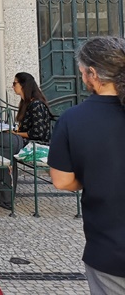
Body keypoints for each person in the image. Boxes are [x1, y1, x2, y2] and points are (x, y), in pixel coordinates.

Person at [49, 37, 125, 295]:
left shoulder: (73, 119)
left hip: (109, 250)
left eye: (81, 72)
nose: (81, 77)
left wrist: (92, 175)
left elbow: (61, 181)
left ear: (93, 74)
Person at [0, 72, 52, 208]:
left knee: (3, 147)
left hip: (36, 145)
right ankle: (3, 195)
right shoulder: (26, 103)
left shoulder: (36, 105)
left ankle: (4, 196)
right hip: (25, 142)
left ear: (23, 85)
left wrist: (16, 132)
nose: (13, 86)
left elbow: (38, 133)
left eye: (15, 83)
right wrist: (15, 131)